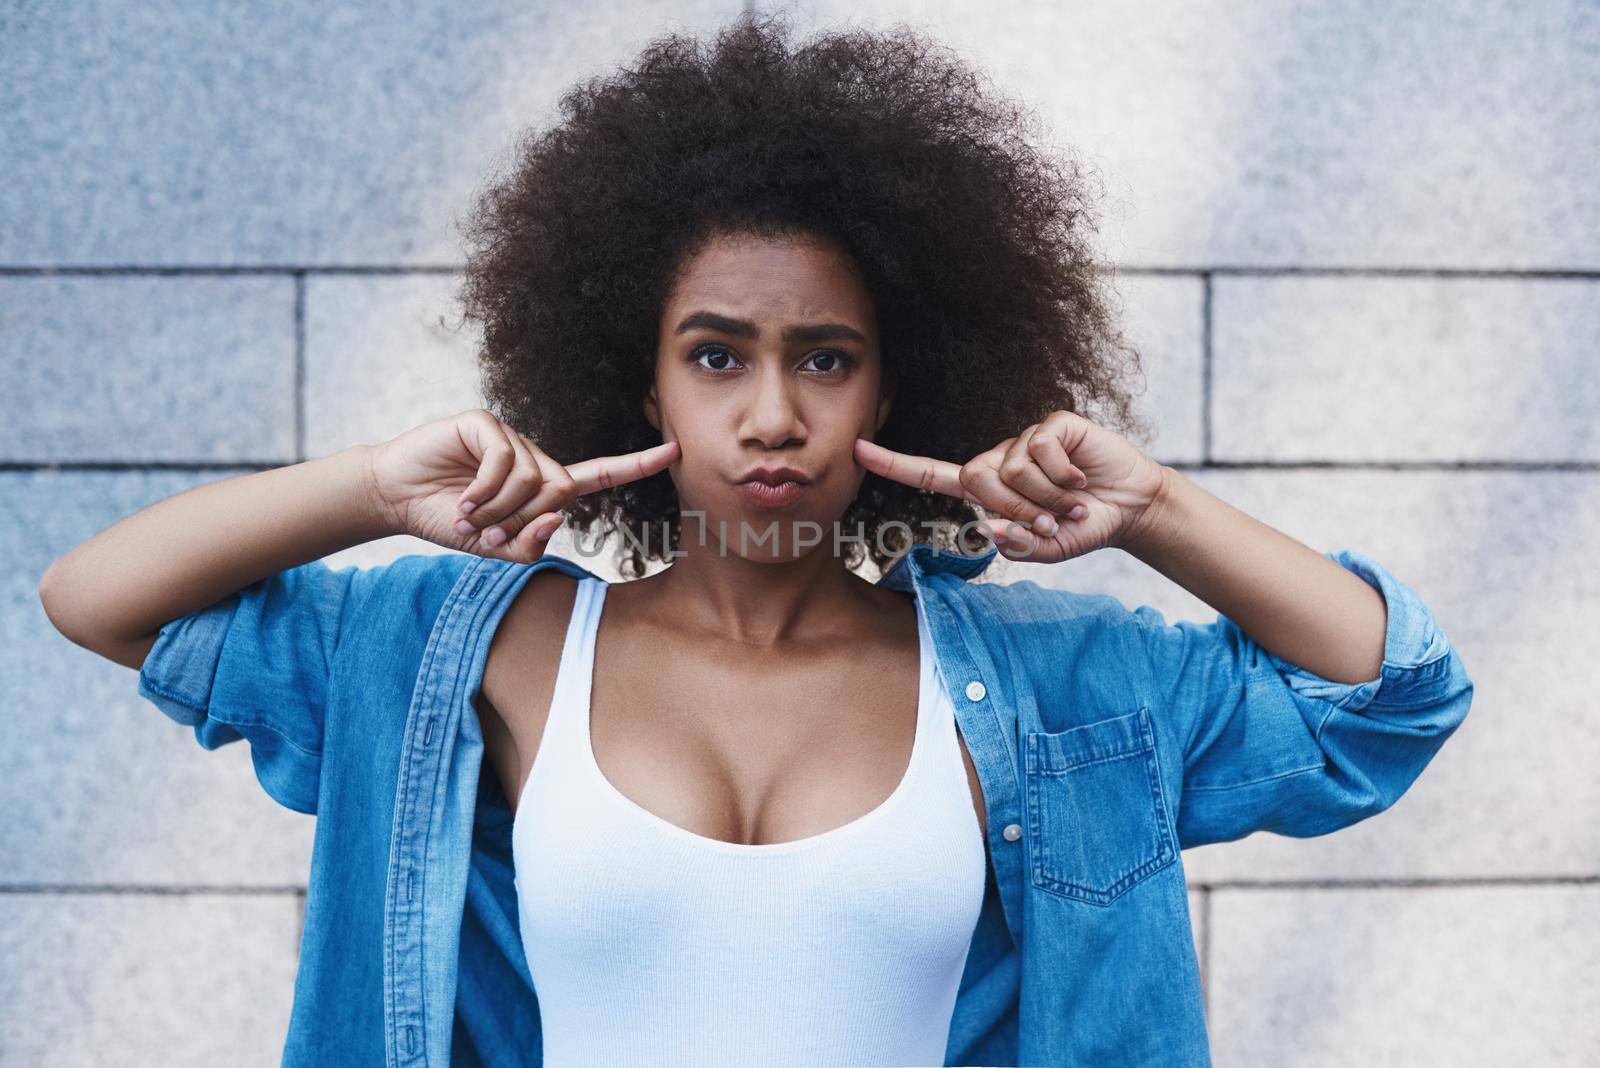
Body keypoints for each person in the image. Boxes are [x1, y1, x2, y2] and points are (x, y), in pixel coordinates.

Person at [39, 11, 1475, 1067]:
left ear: (898, 380)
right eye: (718, 358)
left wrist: (1152, 510)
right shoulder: (459, 651)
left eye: (828, 359)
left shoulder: (1067, 687)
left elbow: (1391, 695)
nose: (774, 414)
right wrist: (371, 486)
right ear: (636, 376)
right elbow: (98, 599)